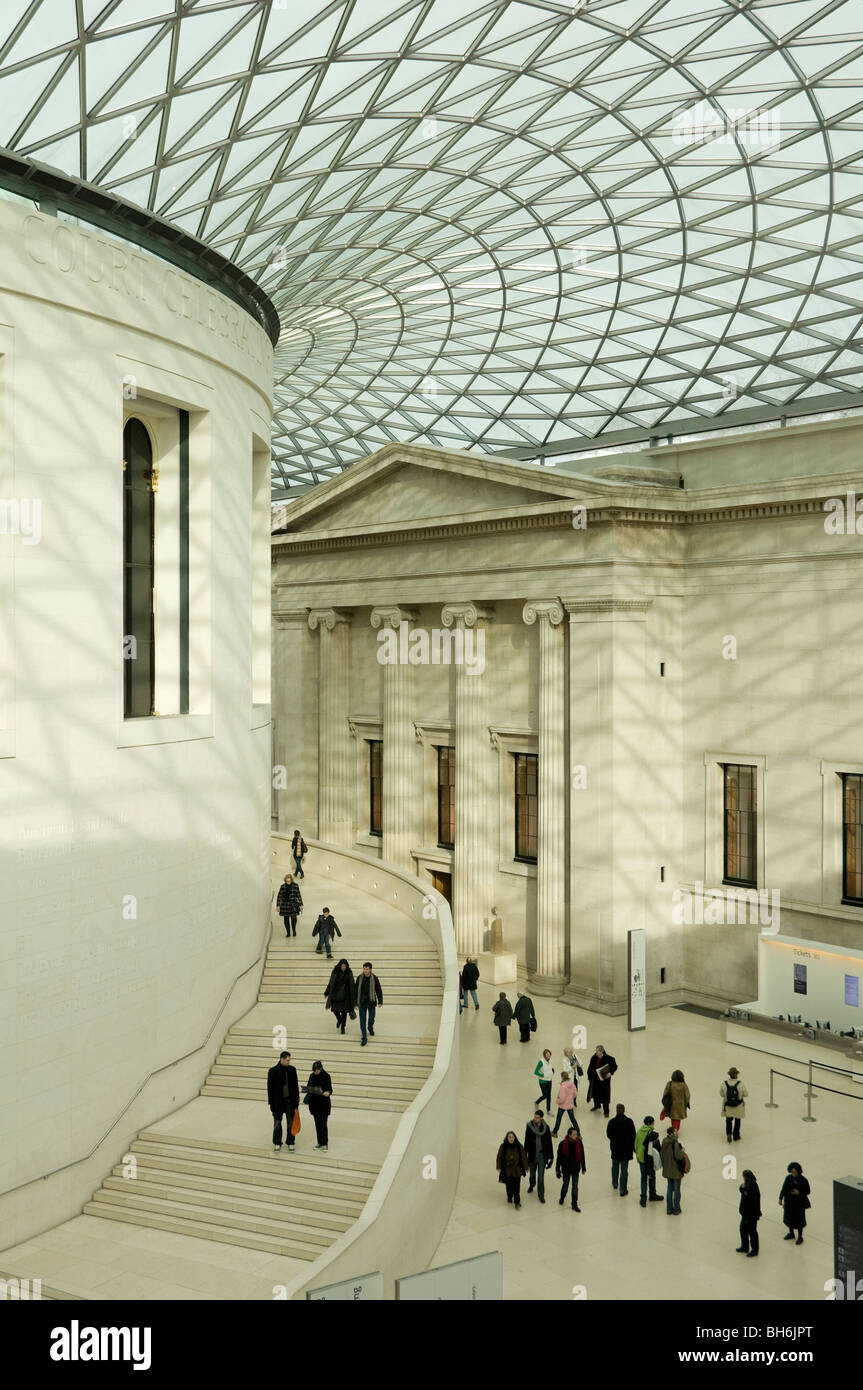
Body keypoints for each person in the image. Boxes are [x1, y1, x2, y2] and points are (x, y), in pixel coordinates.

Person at [267, 1050, 299, 1153]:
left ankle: (291, 1142)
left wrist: (296, 1103)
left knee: (290, 1123)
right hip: (277, 1103)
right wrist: (271, 1103)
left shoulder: (292, 1070)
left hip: (290, 1102)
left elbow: (295, 1088)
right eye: (287, 1060)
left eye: (289, 1060)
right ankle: (277, 1142)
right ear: (281, 1059)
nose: (289, 1062)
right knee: (277, 1123)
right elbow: (270, 1089)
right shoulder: (272, 1071)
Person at [606, 1102, 636, 1196]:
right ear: (624, 1110)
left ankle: (615, 1183)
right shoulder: (629, 1121)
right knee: (624, 1169)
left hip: (615, 1148)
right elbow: (633, 1135)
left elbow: (608, 1134)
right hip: (626, 1149)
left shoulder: (612, 1121)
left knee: (615, 1166)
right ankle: (623, 1189)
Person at [523, 1110, 554, 1204]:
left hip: (542, 1155)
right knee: (532, 1175)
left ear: (541, 1118)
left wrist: (551, 1157)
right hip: (532, 1155)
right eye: (534, 1117)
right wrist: (524, 1155)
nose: (535, 1119)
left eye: (537, 1117)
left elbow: (549, 1143)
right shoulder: (530, 1126)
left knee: (541, 1177)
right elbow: (526, 1141)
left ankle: (541, 1195)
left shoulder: (546, 1128)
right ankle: (532, 1185)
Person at [303, 1061, 333, 1150]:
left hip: (323, 1104)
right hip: (314, 1103)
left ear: (320, 1068)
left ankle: (325, 1143)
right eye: (314, 1071)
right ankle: (319, 1142)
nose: (315, 1072)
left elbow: (330, 1089)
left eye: (316, 1071)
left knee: (323, 1124)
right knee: (317, 1124)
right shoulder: (312, 1075)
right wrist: (306, 1089)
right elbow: (309, 1086)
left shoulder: (326, 1076)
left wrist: (328, 1092)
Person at [634, 1114, 663, 1206]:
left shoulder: (639, 1131)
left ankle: (643, 1198)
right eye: (653, 1123)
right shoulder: (652, 1134)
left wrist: (638, 1155)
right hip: (649, 1159)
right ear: (650, 1124)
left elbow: (635, 1144)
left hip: (641, 1158)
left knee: (643, 1177)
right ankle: (652, 1194)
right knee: (651, 1176)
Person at [555, 1125, 586, 1211]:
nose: (576, 1136)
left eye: (576, 1134)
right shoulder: (563, 1144)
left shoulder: (579, 1142)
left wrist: (583, 1167)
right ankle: (562, 1197)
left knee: (575, 1187)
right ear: (569, 1135)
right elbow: (559, 1158)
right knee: (566, 1185)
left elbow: (582, 1155)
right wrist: (557, 1170)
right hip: (566, 1169)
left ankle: (574, 1204)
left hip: (576, 1168)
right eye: (574, 1134)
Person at [779, 1162, 811, 1245]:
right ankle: (791, 1233)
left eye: (794, 1171)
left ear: (798, 1171)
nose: (793, 1173)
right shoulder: (788, 1178)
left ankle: (800, 1236)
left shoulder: (803, 1180)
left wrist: (799, 1192)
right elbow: (784, 1188)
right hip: (789, 1202)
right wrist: (780, 1198)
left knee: (799, 1220)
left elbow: (808, 1191)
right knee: (789, 1218)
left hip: (799, 1203)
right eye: (791, 1172)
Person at [496, 1131, 528, 1209]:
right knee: (509, 1186)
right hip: (507, 1170)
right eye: (509, 1137)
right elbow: (499, 1157)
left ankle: (517, 1202)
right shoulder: (503, 1146)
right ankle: (509, 1197)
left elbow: (523, 1157)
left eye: (512, 1137)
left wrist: (526, 1167)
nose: (511, 1139)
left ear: (515, 1138)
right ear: (507, 1138)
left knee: (517, 1187)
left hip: (517, 1170)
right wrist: (499, 1166)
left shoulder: (519, 1146)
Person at [660, 1126, 687, 1215]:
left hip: (667, 1169)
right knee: (677, 1189)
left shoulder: (664, 1141)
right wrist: (682, 1151)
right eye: (676, 1131)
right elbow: (678, 1157)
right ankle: (676, 1209)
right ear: (672, 1133)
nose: (677, 1132)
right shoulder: (675, 1144)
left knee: (669, 1188)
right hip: (675, 1170)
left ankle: (669, 1209)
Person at [324, 958, 355, 1034]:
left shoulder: (349, 972)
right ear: (340, 965)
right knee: (335, 1010)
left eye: (345, 966)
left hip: (346, 996)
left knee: (344, 1012)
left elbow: (352, 984)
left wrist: (354, 995)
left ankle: (343, 1027)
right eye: (342, 965)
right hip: (336, 994)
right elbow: (330, 983)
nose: (343, 967)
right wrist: (326, 992)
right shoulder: (335, 972)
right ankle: (339, 1019)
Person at [356, 961, 383, 1045]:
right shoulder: (359, 978)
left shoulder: (374, 978)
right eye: (364, 969)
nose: (365, 971)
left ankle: (370, 1027)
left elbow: (378, 990)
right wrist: (355, 1003)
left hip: (371, 1002)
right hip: (362, 1002)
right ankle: (364, 1037)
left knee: (371, 1019)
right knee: (362, 1021)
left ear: (370, 969)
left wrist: (380, 1001)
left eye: (367, 969)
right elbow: (356, 991)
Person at [586, 1045, 617, 1116]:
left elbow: (614, 1066)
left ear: (601, 1051)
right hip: (595, 1080)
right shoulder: (594, 1058)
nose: (596, 1052)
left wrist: (610, 1073)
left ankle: (606, 1111)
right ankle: (597, 1105)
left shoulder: (609, 1058)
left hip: (604, 1081)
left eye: (597, 1051)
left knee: (605, 1096)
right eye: (596, 1051)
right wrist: (589, 1077)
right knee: (595, 1094)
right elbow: (590, 1068)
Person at [737, 1169, 762, 1257]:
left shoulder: (753, 1186)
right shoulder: (747, 1184)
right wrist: (743, 1188)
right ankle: (745, 1246)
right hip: (745, 1213)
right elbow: (741, 1189)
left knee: (752, 1232)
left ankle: (755, 1250)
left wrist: (744, 1189)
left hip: (751, 1214)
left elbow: (751, 1200)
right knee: (743, 1230)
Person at [720, 1066, 748, 1141]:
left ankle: (729, 1134)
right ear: (736, 1075)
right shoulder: (741, 1084)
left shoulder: (724, 1083)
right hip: (738, 1106)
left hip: (728, 1106)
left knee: (728, 1120)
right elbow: (746, 1094)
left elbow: (721, 1094)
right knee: (737, 1121)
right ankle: (736, 1136)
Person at [551, 1071, 578, 1137]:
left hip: (562, 1106)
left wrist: (557, 1101)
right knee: (573, 1119)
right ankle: (578, 1134)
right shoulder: (572, 1084)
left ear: (562, 1077)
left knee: (558, 1119)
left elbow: (562, 1098)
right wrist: (570, 1098)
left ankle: (554, 1132)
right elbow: (575, 1094)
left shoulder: (563, 1086)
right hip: (570, 1105)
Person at [275, 873, 303, 937]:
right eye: (287, 881)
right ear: (285, 880)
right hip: (285, 905)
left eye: (289, 881)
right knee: (286, 919)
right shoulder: (282, 887)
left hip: (293, 905)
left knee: (294, 918)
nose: (288, 882)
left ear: (291, 880)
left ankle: (294, 930)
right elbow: (279, 896)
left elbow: (299, 895)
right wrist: (278, 905)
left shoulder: (295, 886)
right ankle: (288, 932)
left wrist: (301, 904)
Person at [533, 1049, 555, 1113]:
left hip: (549, 1080)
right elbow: (536, 1072)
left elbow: (550, 1068)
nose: (548, 1055)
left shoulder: (550, 1061)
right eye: (547, 1054)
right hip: (542, 1081)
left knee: (549, 1096)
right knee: (545, 1095)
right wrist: (543, 1075)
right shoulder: (541, 1062)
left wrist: (552, 1072)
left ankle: (548, 1110)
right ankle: (537, 1102)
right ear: (544, 1055)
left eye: (549, 1054)